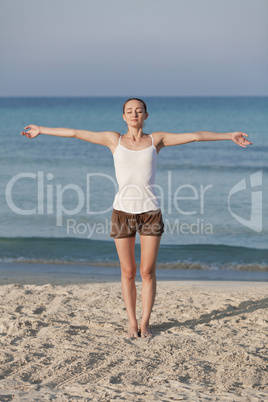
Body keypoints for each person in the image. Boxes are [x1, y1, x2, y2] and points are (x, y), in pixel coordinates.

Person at [21, 98, 252, 338]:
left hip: (150, 212)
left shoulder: (156, 140)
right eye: (129, 111)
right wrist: (41, 130)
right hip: (122, 212)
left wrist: (229, 135)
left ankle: (145, 323)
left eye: (138, 110)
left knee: (147, 272)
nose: (134, 114)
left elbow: (195, 135)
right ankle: (132, 323)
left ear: (146, 115)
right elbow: (76, 133)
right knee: (128, 271)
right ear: (123, 117)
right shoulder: (114, 140)